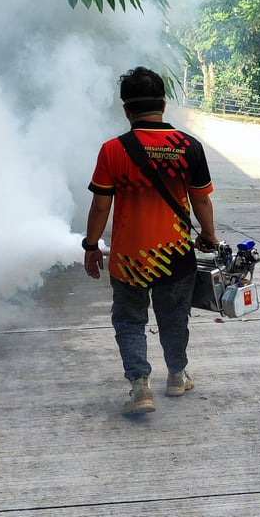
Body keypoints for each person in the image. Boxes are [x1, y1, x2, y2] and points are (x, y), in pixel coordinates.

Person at [83, 66, 218, 416]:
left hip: (129, 259)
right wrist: (209, 234)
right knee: (175, 318)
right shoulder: (189, 146)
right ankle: (176, 376)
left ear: (126, 109)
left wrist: (91, 245)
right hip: (176, 255)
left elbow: (100, 206)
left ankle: (140, 387)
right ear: (164, 104)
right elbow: (201, 200)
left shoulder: (113, 150)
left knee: (129, 320)